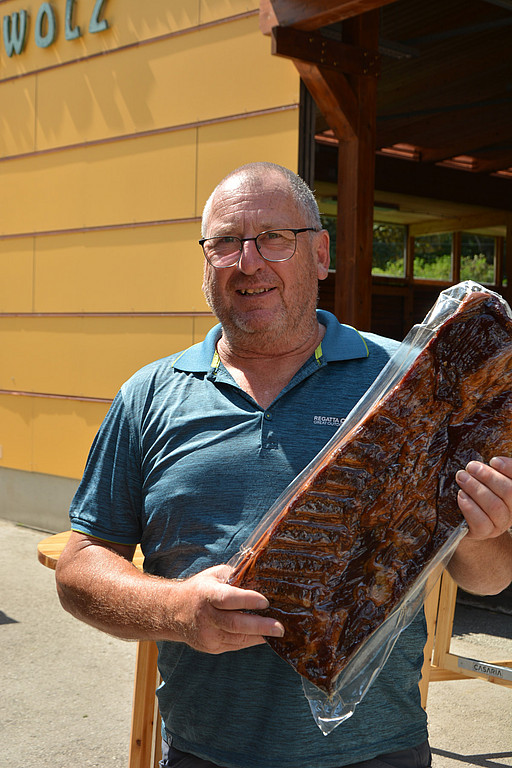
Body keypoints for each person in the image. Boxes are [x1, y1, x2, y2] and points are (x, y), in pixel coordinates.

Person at [55, 162, 512, 768]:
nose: (248, 262)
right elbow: (80, 566)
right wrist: (178, 612)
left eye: (274, 238)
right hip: (203, 751)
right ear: (206, 263)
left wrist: (481, 531)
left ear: (320, 255)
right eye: (225, 242)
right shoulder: (150, 395)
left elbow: (489, 578)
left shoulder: (407, 385)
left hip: (377, 752)